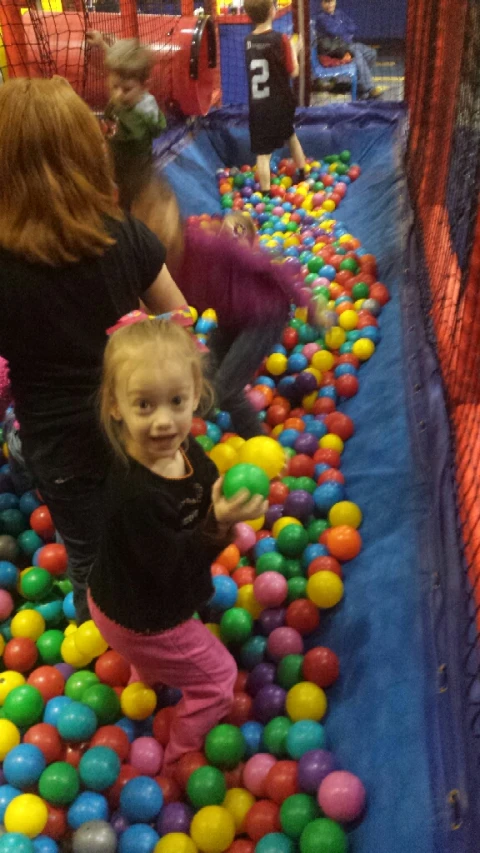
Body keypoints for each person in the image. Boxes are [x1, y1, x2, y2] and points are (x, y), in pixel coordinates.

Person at [0, 77, 187, 624]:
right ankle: (160, 624)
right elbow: (179, 318)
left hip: (60, 451)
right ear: (89, 153)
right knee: (146, 538)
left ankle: (107, 633)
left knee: (88, 561)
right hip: (137, 434)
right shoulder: (121, 234)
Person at [88, 317, 268, 771]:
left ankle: (143, 674)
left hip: (118, 596)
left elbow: (202, 475)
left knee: (153, 637)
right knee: (220, 678)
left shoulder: (180, 450)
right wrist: (218, 522)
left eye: (176, 401)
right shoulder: (134, 495)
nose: (164, 421)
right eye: (144, 405)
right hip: (142, 620)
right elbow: (171, 568)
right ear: (115, 406)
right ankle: (178, 758)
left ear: (196, 396)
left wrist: (219, 491)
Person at [138, 180, 297, 438]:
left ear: (174, 214)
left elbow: (266, 266)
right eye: (147, 222)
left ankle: (262, 446)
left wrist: (310, 305)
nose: (157, 228)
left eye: (160, 217)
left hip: (264, 314)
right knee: (204, 377)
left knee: (228, 390)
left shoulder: (203, 245)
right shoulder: (157, 264)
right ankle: (197, 430)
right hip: (230, 319)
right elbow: (158, 310)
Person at [86, 32, 167, 211]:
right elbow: (119, 68)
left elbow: (156, 129)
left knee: (130, 207)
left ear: (145, 86)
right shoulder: (123, 96)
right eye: (114, 87)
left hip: (135, 175)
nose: (118, 94)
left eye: (127, 89)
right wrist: (102, 44)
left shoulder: (142, 113)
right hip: (117, 167)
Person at [244, 0, 306, 194]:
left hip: (258, 106)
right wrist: (295, 51)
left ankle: (264, 193)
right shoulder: (280, 39)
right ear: (273, 11)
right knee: (290, 136)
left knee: (263, 154)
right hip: (280, 103)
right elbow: (294, 71)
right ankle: (303, 173)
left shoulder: (248, 41)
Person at [315, 0, 381, 99]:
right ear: (322, 4)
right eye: (326, 2)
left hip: (346, 45)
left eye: (331, 1)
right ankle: (369, 88)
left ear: (335, 2)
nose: (329, 5)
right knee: (357, 54)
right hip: (332, 50)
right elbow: (334, 31)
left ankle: (361, 84)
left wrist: (342, 29)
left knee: (371, 53)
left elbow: (353, 26)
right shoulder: (321, 18)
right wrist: (343, 28)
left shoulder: (339, 13)